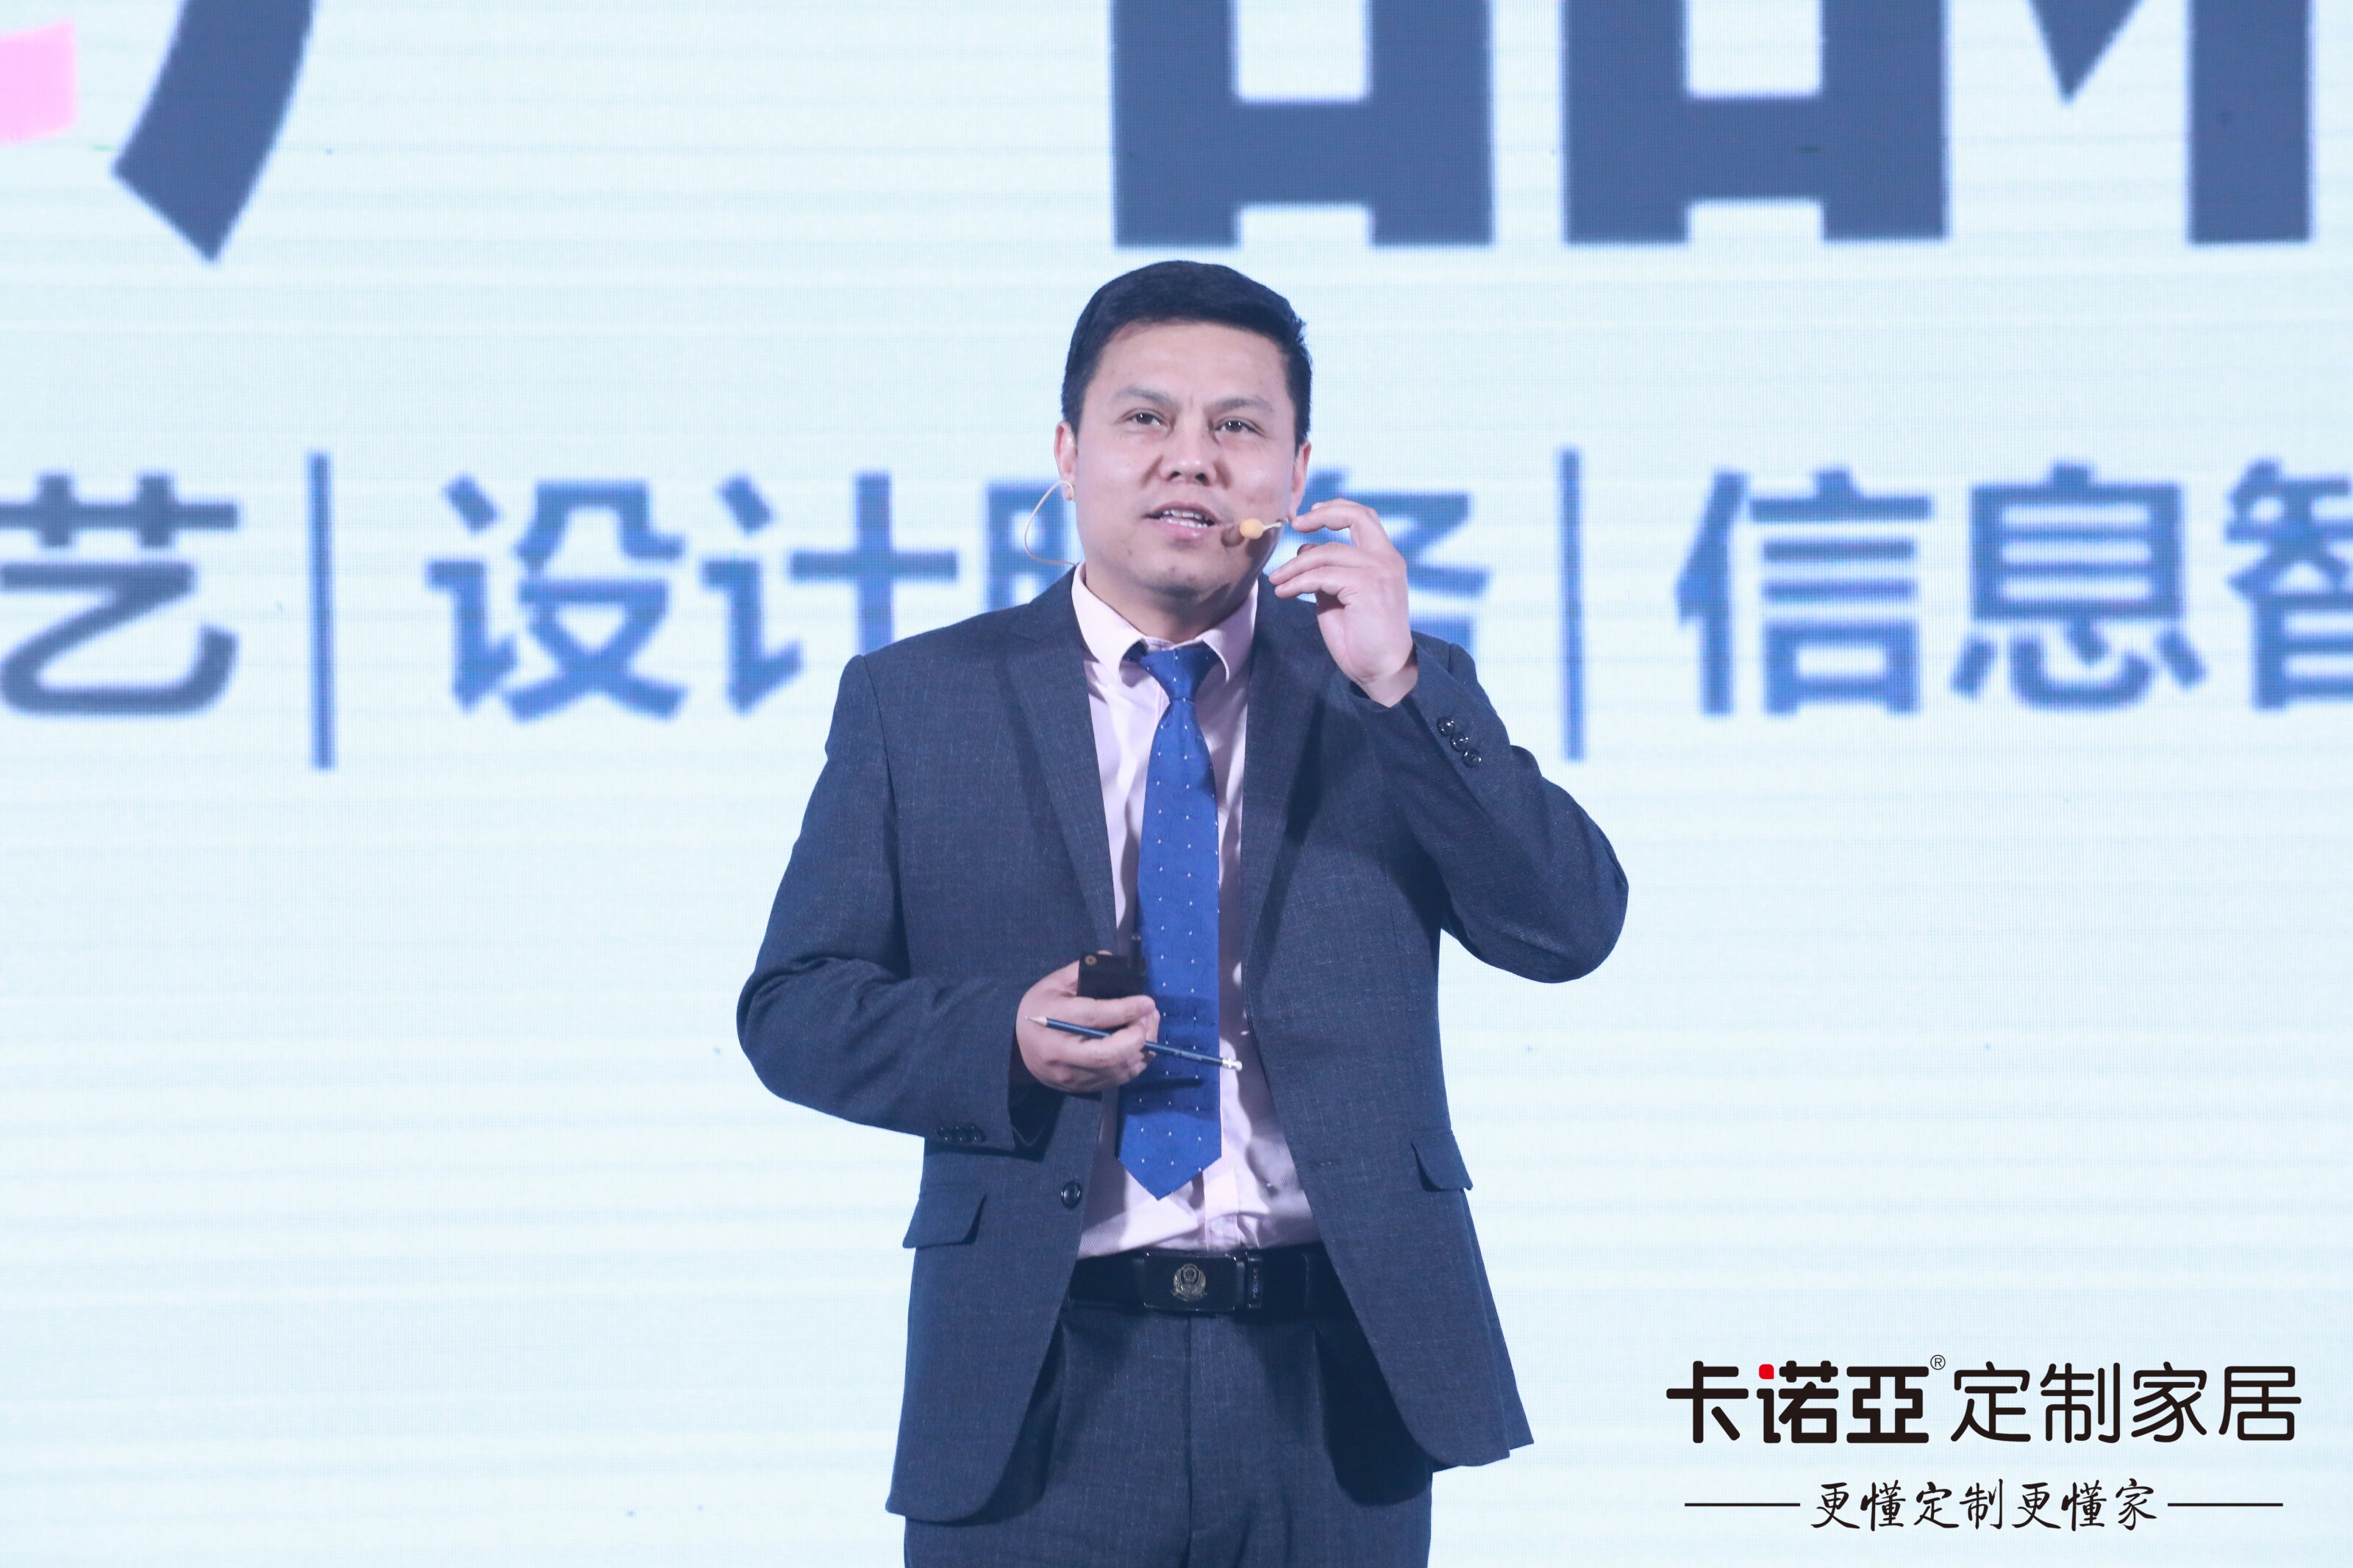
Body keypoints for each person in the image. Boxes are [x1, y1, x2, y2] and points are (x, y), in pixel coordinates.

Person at [737, 259, 1627, 1567]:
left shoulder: (1383, 691)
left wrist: (1400, 688)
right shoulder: (920, 700)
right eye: (1145, 418)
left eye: (1239, 426)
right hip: (1040, 1376)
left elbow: (1568, 927)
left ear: (1297, 469)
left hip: (1334, 1380)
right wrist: (1003, 1040)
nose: (1191, 459)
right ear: (1068, 452)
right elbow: (795, 1007)